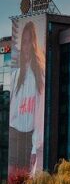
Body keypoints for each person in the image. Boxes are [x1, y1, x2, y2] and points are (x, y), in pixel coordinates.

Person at [8, 18, 46, 174]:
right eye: (23, 42)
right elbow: (12, 109)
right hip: (13, 133)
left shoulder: (40, 76)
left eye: (29, 41)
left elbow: (39, 116)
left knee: (24, 182)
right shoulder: (16, 75)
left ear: (34, 44)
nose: (26, 46)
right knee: (11, 182)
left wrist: (34, 148)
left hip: (29, 137)